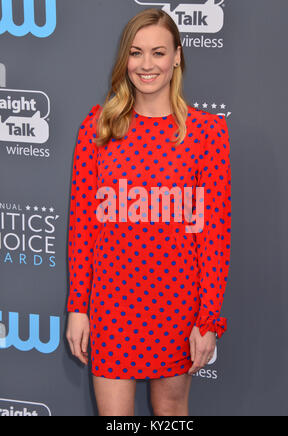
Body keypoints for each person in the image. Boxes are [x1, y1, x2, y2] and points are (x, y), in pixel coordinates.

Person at [66, 8, 231, 417]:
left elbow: (215, 233)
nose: (146, 64)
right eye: (136, 53)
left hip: (177, 304)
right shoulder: (98, 127)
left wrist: (208, 318)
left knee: (172, 413)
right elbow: (83, 224)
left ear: (177, 56)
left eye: (158, 52)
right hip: (112, 303)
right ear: (125, 59)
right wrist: (78, 307)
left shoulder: (207, 133)